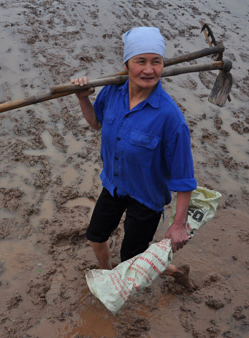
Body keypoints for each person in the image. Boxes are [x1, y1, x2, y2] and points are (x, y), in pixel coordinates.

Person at [72, 27, 197, 285]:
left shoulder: (170, 118)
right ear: (127, 63)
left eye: (156, 62)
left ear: (163, 65)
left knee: (134, 257)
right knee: (96, 236)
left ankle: (176, 272)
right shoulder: (111, 92)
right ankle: (108, 276)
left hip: (146, 197)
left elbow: (184, 178)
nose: (149, 70)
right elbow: (97, 123)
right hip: (115, 184)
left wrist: (178, 224)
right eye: (141, 61)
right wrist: (83, 98)